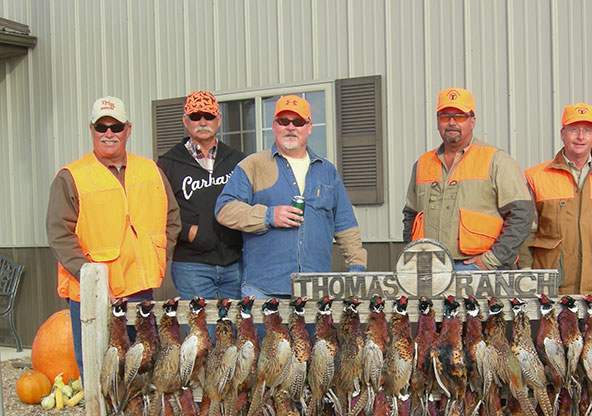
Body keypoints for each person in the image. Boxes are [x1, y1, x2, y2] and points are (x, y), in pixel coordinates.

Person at [46, 96, 181, 376]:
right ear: (91, 129)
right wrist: (90, 277)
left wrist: (159, 255)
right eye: (101, 127)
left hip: (138, 290)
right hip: (92, 295)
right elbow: (60, 233)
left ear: (128, 130)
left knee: (141, 368)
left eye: (116, 126)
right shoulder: (71, 176)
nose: (109, 133)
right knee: (98, 372)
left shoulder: (150, 170)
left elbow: (172, 217)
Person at [215, 94, 367, 298]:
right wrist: (269, 216)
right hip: (263, 290)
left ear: (309, 127)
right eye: (283, 121)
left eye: (298, 122)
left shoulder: (327, 171)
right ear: (274, 126)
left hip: (316, 291)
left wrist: (356, 269)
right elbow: (224, 209)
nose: (290, 127)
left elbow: (345, 224)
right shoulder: (252, 165)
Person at [402, 87, 533, 271]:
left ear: (472, 121)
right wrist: (413, 256)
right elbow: (410, 216)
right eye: (445, 116)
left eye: (460, 116)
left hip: (478, 268)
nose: (452, 123)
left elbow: (522, 216)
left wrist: (491, 260)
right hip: (429, 268)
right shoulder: (422, 164)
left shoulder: (497, 160)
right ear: (437, 121)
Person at [523, 102, 592, 294]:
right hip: (554, 289)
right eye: (573, 130)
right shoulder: (536, 177)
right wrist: (525, 272)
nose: (581, 136)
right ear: (562, 133)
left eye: (587, 130)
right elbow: (526, 232)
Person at [157, 90, 246, 300]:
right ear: (185, 121)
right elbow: (158, 213)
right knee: (201, 331)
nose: (203, 121)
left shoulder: (237, 160)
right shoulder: (167, 164)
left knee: (238, 330)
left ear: (219, 120)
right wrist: (188, 232)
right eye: (195, 116)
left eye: (209, 116)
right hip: (191, 264)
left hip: (234, 262)